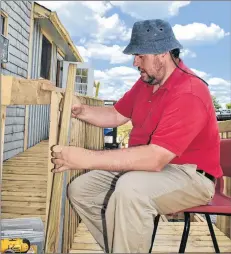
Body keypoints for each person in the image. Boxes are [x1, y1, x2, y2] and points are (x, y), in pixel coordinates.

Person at [51, 19, 223, 253]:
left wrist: (85, 158)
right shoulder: (145, 83)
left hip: (191, 175)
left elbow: (155, 158)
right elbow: (115, 114)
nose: (135, 62)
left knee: (130, 189)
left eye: (140, 55)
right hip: (150, 168)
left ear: (162, 53)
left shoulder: (190, 91)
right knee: (81, 190)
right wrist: (83, 111)